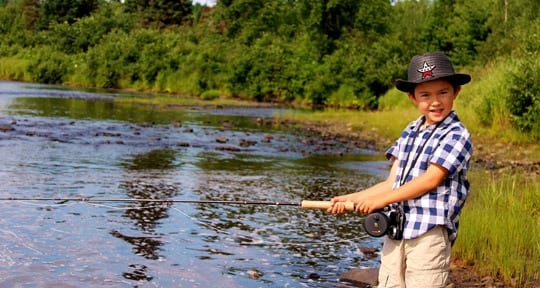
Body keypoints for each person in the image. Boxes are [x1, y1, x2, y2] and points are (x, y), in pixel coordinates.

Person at [327, 51, 473, 288]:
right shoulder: (410, 130)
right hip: (397, 231)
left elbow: (430, 180)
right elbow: (391, 182)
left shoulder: (457, 134)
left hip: (429, 234)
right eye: (425, 95)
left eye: (442, 93)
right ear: (412, 97)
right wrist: (351, 198)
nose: (435, 102)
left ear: (455, 92)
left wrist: (378, 202)